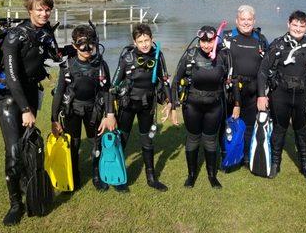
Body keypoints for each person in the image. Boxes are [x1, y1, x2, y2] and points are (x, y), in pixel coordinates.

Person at [0, 0, 60, 226]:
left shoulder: (45, 33)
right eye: (39, 10)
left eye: (47, 10)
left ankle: (26, 182)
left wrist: (80, 49)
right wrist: (24, 108)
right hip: (11, 99)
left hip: (32, 93)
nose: (44, 14)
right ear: (29, 11)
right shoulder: (15, 36)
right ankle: (15, 204)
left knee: (26, 145)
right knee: (13, 151)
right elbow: (12, 78)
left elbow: (56, 56)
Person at [257, 10, 306, 180]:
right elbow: (262, 71)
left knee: (302, 130)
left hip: (302, 96)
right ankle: (275, 163)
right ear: (288, 24)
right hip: (280, 94)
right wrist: (262, 95)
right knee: (279, 129)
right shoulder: (277, 45)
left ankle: (305, 164)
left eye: (301, 26)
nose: (297, 29)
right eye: (295, 24)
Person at [51, 24, 116, 192]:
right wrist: (54, 119)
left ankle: (96, 174)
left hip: (94, 109)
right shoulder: (67, 66)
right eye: (82, 44)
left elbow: (107, 91)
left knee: (96, 142)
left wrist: (109, 114)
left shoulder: (101, 65)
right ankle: (74, 173)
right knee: (73, 143)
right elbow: (59, 93)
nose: (87, 49)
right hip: (72, 109)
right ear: (74, 45)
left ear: (95, 43)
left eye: (90, 44)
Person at [111, 23, 175, 192]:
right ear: (134, 42)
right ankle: (119, 177)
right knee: (122, 140)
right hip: (128, 105)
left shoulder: (157, 56)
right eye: (141, 41)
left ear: (152, 39)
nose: (145, 44)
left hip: (147, 104)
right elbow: (113, 85)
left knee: (147, 140)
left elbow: (165, 81)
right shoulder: (127, 58)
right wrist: (109, 112)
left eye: (147, 40)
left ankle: (151, 178)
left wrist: (170, 102)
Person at [173, 25, 233, 188]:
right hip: (192, 104)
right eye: (203, 41)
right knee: (193, 138)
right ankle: (191, 175)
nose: (206, 45)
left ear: (216, 39)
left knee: (211, 140)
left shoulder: (224, 55)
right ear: (199, 40)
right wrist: (173, 106)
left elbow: (232, 80)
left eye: (210, 41)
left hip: (215, 105)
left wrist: (237, 104)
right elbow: (176, 81)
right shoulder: (190, 55)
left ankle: (212, 176)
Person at [222, 5, 268, 167]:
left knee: (249, 124)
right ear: (237, 20)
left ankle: (246, 155)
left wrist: (264, 93)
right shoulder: (227, 37)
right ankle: (227, 152)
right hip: (231, 89)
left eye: (249, 19)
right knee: (230, 122)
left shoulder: (261, 39)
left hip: (253, 89)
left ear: (254, 21)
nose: (246, 23)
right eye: (243, 19)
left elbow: (267, 67)